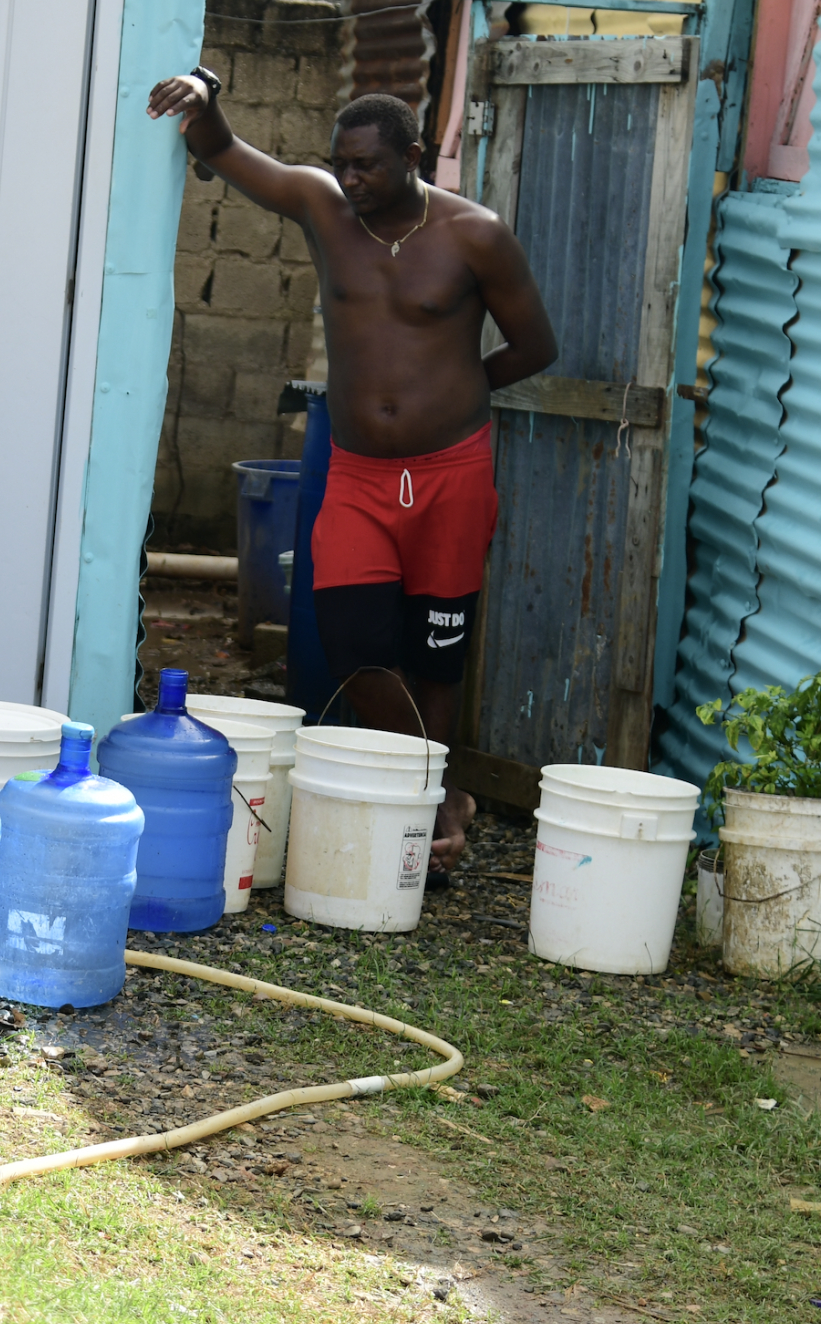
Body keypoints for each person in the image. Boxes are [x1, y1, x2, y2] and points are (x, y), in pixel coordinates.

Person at [144, 76, 557, 877]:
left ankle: (423, 823)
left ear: (412, 157)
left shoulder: (477, 236)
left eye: (367, 165)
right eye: (342, 163)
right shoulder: (323, 207)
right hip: (360, 474)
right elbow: (221, 148)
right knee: (356, 644)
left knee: (437, 656)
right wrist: (206, 91)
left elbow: (535, 347)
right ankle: (444, 791)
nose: (351, 179)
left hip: (451, 471)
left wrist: (450, 396)